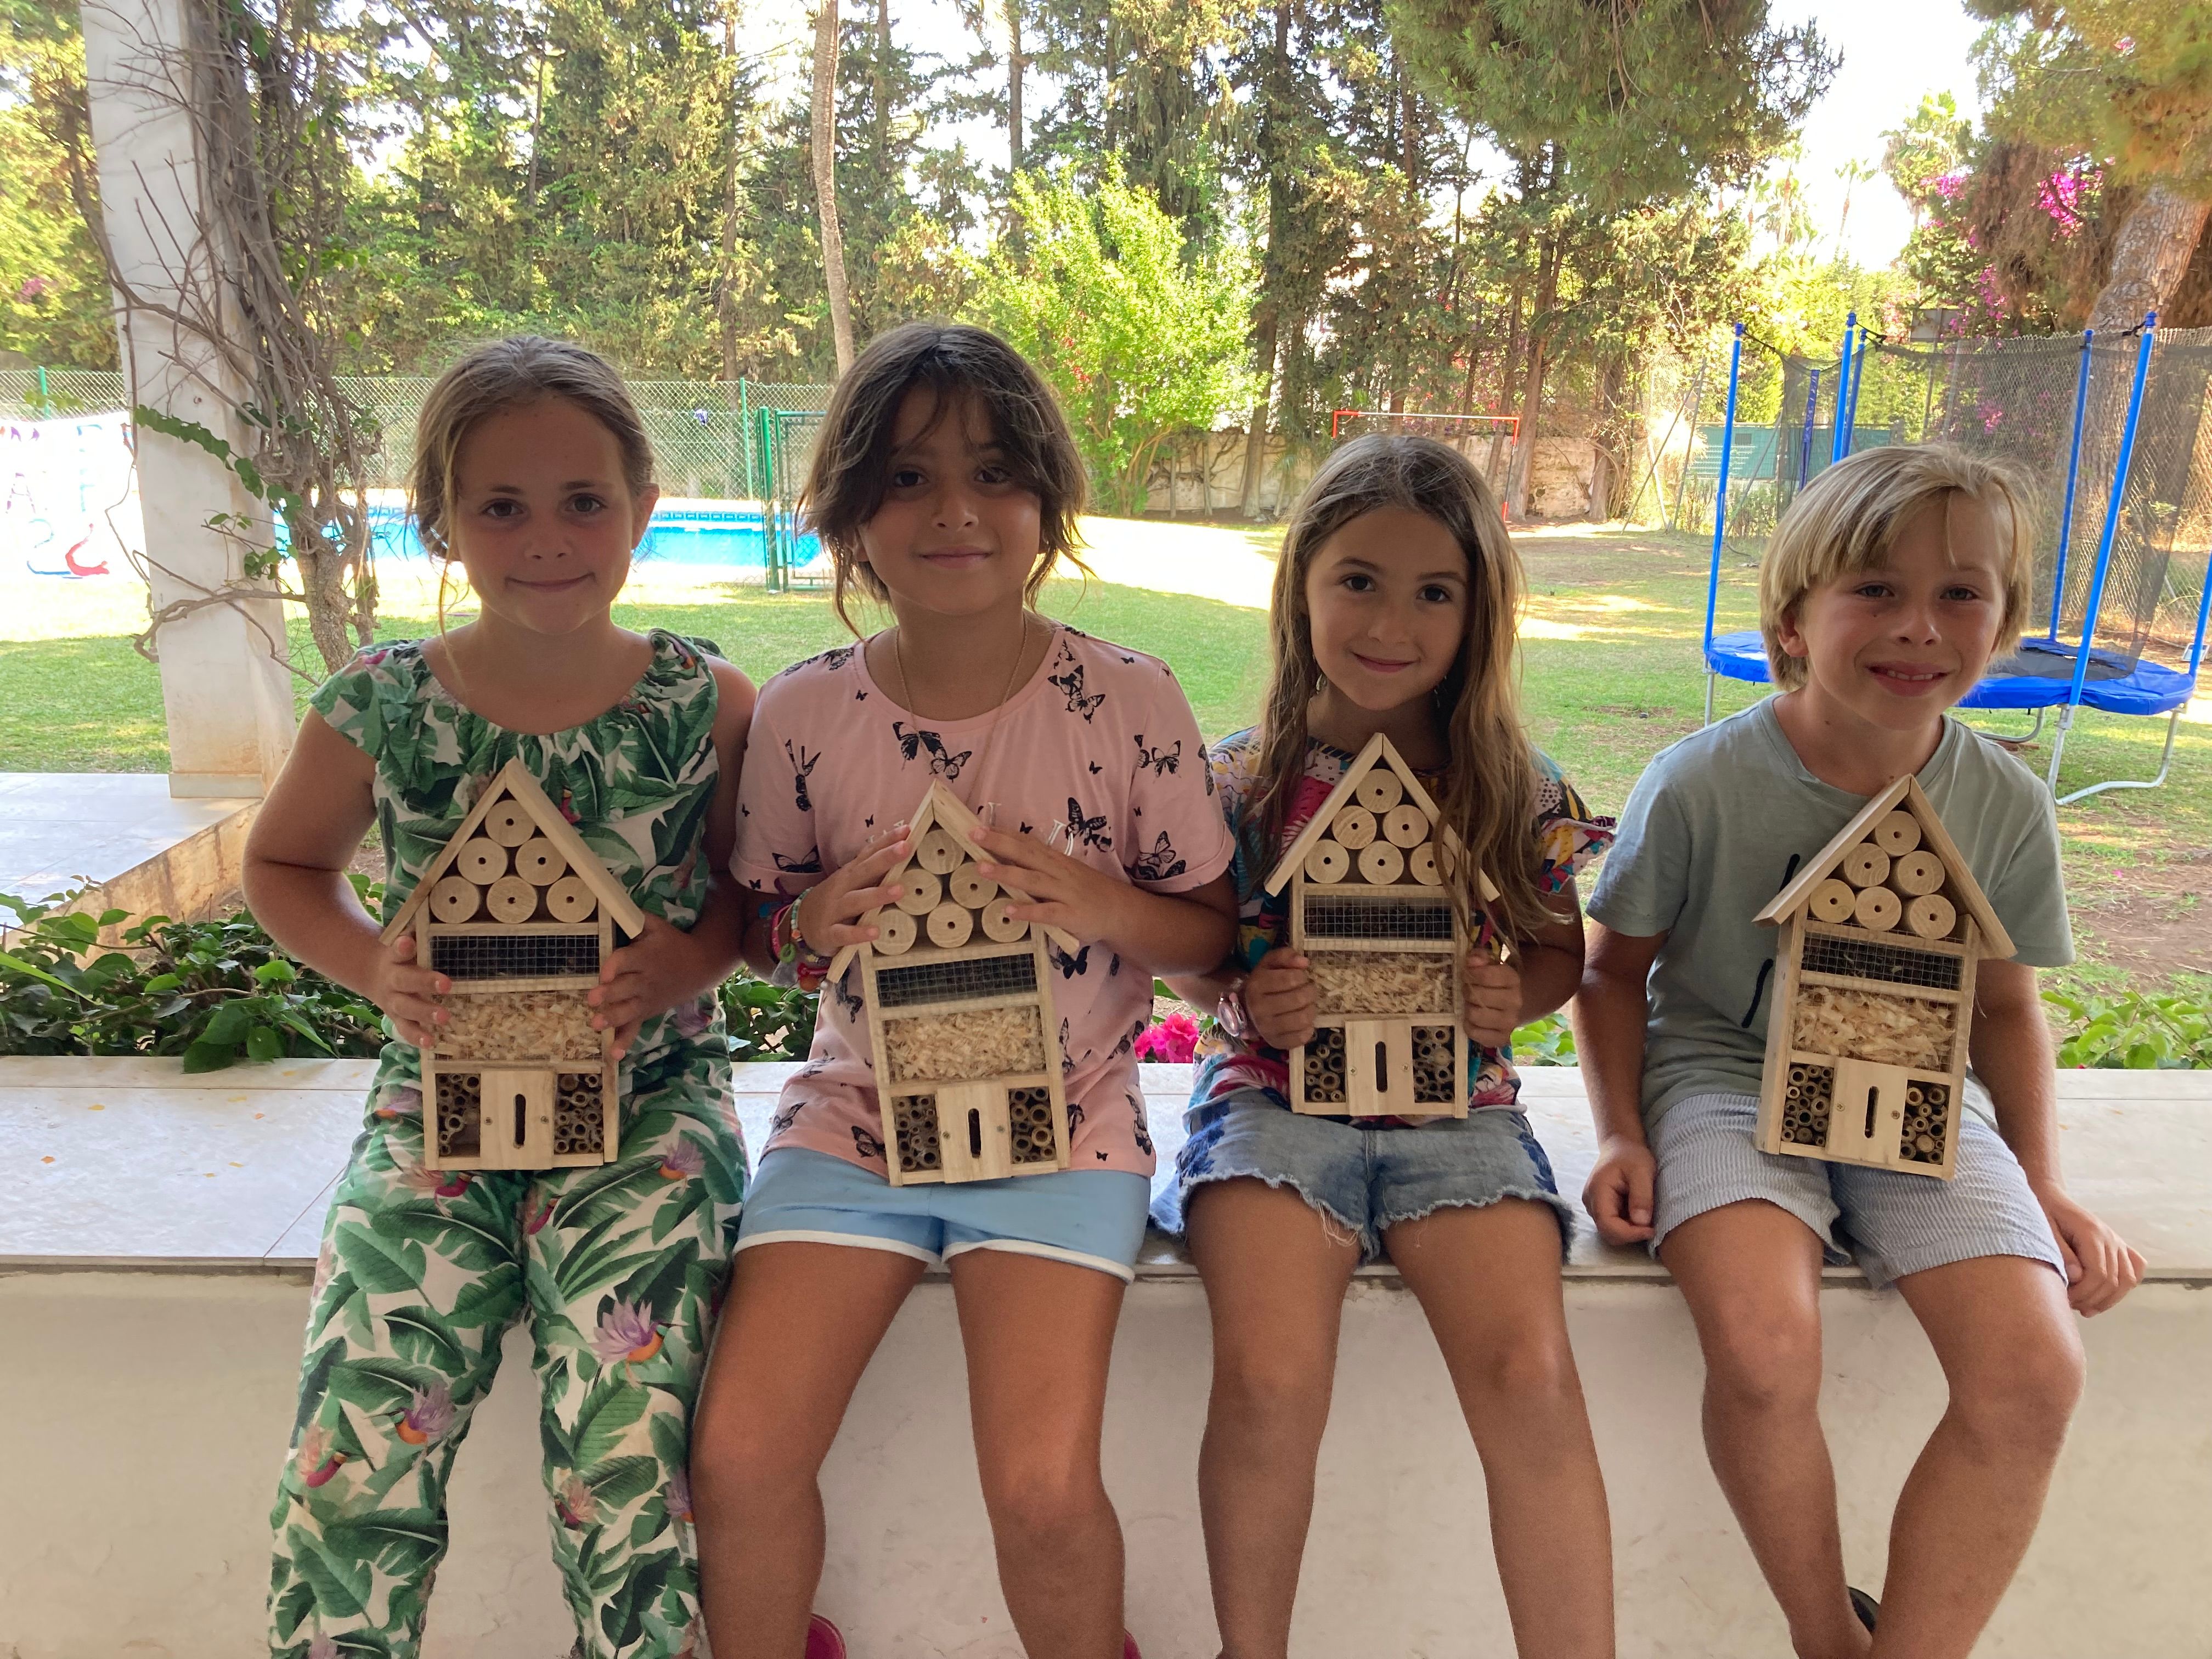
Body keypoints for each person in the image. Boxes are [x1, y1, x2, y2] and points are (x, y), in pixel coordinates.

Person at [690, 320, 1237, 1659]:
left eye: (995, 474)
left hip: (1066, 1126)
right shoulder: (808, 716)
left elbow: (1220, 941)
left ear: (1047, 501)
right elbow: (762, 923)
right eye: (906, 479)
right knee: (741, 1459)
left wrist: (1105, 905)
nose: (954, 512)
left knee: (1042, 1495)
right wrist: (804, 918)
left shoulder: (1128, 698)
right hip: (854, 1128)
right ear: (848, 516)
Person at [1575, 442, 2146, 1659]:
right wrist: (1623, 1131)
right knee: (1767, 1343)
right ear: (1792, 619)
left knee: (2036, 1371)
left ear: (2006, 622)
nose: (1919, 627)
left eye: (1961, 593)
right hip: (1724, 1087)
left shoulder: (2002, 805)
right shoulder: (1705, 782)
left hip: (1915, 1096)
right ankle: (1825, 1636)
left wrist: (2041, 1180)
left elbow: (2002, 1008)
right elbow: (1612, 973)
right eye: (1874, 590)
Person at [249, 337, 757, 1659]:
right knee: (356, 1425)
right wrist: (371, 964)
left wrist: (690, 959)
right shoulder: (384, 705)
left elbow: (761, 895)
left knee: (630, 1442)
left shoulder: (704, 706)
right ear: (441, 522)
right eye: (502, 507)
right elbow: (285, 864)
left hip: (649, 1112)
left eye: (585, 501)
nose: (547, 538)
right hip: (439, 1112)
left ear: (644, 508)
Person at [1154, 435, 1618, 1659]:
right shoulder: (1239, 781)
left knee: (1529, 1373)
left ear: (1479, 614)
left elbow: (1561, 956)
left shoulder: (1517, 788)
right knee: (1267, 1380)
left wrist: (1505, 996)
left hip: (1458, 1114)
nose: (1390, 622)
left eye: (1434, 592)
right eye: (1358, 579)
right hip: (1270, 1106)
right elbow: (1193, 954)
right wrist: (1252, 996)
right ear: (1302, 583)